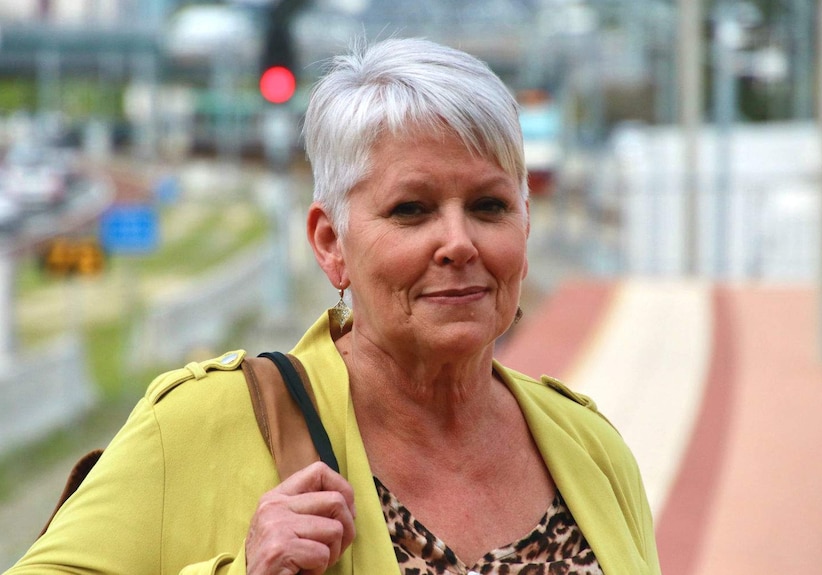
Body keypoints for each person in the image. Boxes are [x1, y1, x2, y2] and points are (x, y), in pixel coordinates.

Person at [6, 37, 661, 575]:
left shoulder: (591, 449)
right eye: (413, 209)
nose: (459, 242)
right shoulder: (205, 422)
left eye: (489, 205)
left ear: (524, 223)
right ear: (330, 243)